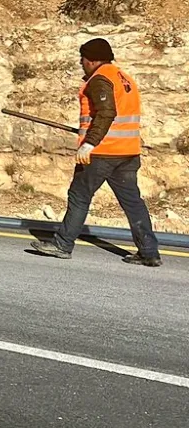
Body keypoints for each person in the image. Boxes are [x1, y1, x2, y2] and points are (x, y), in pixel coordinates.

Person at [30, 38, 161, 266]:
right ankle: (149, 252)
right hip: (128, 152)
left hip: (103, 152)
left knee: (79, 196)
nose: (81, 64)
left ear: (90, 60)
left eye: (82, 59)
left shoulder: (100, 79)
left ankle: (62, 245)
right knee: (132, 202)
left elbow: (107, 113)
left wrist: (89, 143)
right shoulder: (124, 77)